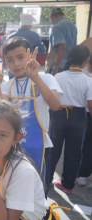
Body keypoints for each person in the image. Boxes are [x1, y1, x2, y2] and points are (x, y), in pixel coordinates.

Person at [0, 37, 62, 194]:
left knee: (37, 187)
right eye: (10, 60)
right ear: (5, 62)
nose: (16, 64)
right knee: (13, 186)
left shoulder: (46, 79)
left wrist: (35, 77)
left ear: (30, 54)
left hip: (40, 146)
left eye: (20, 57)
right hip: (12, 147)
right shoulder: (7, 86)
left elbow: (55, 105)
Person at [48, 45, 92, 194]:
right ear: (86, 60)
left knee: (53, 149)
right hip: (78, 117)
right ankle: (67, 184)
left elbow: (50, 98)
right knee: (74, 152)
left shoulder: (58, 76)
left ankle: (46, 180)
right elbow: (90, 105)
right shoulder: (88, 80)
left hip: (58, 114)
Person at [76, 54, 92, 186]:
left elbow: (90, 103)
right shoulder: (86, 77)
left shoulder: (86, 77)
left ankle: (82, 175)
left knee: (87, 145)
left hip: (87, 115)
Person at [47, 8, 77, 75]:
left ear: (53, 17)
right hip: (70, 64)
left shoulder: (57, 27)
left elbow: (62, 46)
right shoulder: (73, 26)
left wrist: (56, 66)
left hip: (60, 66)